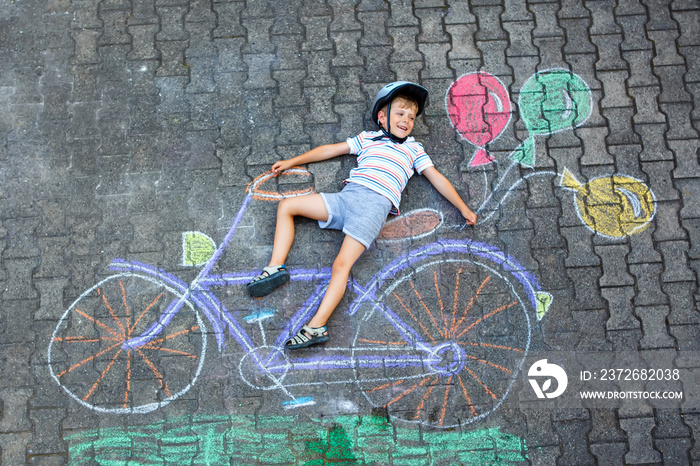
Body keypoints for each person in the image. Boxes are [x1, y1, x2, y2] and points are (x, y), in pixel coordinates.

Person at [247, 81, 477, 349]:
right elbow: (332, 149)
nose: (407, 120)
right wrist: (293, 161)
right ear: (382, 116)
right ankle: (275, 268)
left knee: (340, 266)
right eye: (400, 113)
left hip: (371, 210)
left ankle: (316, 327)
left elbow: (436, 178)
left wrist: (463, 208)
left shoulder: (414, 150)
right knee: (287, 206)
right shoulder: (368, 138)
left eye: (412, 117)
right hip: (347, 199)